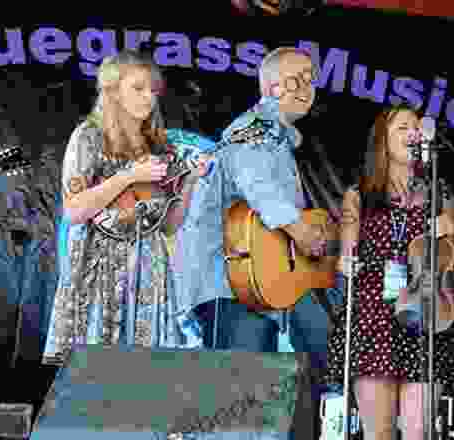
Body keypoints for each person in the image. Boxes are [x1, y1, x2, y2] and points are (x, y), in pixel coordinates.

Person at [172, 47, 329, 437]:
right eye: (298, 78)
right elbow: (256, 180)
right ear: (273, 87)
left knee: (251, 404)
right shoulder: (258, 127)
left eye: (312, 78)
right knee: (237, 404)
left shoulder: (276, 136)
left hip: (251, 283)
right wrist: (299, 228)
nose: (307, 87)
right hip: (229, 283)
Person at [43, 50, 211, 362]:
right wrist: (128, 177)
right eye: (138, 88)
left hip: (149, 268)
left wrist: (191, 181)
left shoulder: (162, 146)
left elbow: (170, 225)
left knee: (145, 378)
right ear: (112, 90)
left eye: (153, 90)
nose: (149, 97)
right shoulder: (88, 137)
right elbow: (75, 210)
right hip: (100, 268)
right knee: (95, 375)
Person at [323, 105, 454, 440]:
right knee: (379, 433)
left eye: (417, 128)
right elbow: (347, 251)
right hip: (374, 317)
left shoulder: (438, 191)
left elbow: (451, 255)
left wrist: (448, 231)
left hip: (424, 312)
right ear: (383, 141)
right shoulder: (359, 195)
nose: (413, 133)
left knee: (418, 431)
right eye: (403, 128)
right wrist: (345, 261)